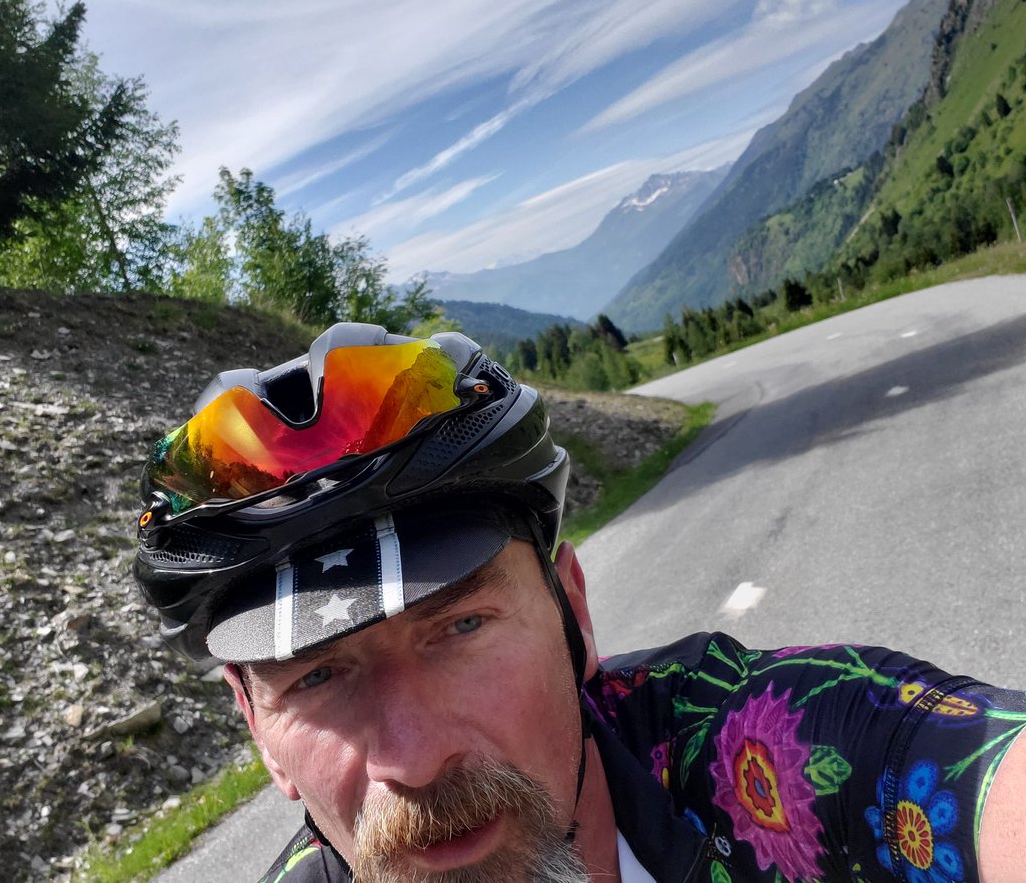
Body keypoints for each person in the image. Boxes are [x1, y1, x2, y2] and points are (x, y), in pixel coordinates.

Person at [133, 323, 1026, 882]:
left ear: (573, 612)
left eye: (462, 625)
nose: (417, 757)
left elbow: (959, 767)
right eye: (318, 675)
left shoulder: (757, 744)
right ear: (256, 726)